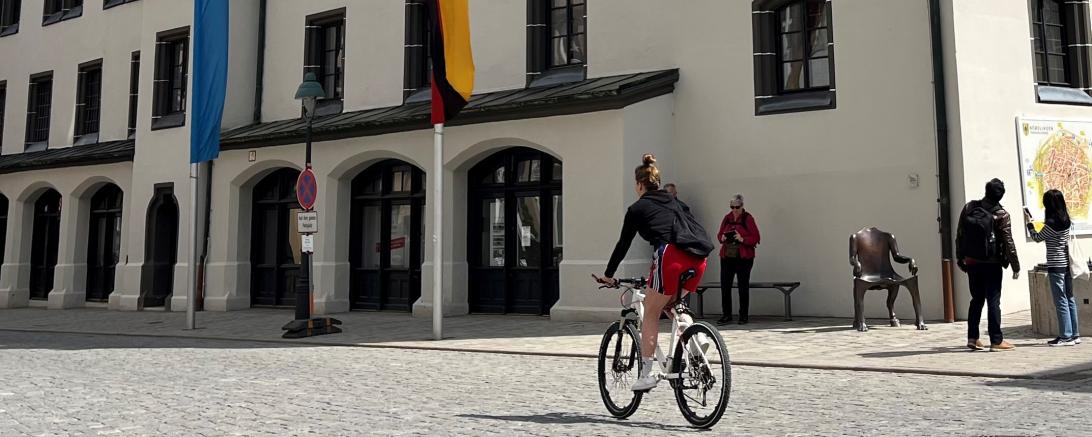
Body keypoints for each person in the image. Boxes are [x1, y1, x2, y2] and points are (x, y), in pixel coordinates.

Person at [594, 154, 709, 392]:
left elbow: (623, 244)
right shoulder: (676, 201)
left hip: (670, 255)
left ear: (639, 185)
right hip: (698, 257)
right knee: (673, 305)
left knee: (651, 314)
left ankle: (646, 374)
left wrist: (608, 274)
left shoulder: (637, 208)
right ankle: (697, 339)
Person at [956, 178, 1020, 352]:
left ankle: (973, 338)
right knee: (993, 301)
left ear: (986, 191)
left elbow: (960, 233)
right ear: (1001, 195)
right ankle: (996, 340)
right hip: (992, 263)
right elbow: (1008, 242)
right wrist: (1015, 266)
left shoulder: (970, 208)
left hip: (972, 261)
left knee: (976, 299)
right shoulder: (1002, 214)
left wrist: (960, 258)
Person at [1025, 189, 1082, 346]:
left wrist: (1030, 225)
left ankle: (1065, 336)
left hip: (1056, 265)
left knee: (1060, 300)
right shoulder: (1065, 219)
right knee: (1070, 298)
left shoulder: (1051, 223)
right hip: (1066, 264)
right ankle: (1075, 334)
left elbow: (1037, 237)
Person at [716, 194, 760, 325]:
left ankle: (743, 315)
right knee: (725, 285)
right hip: (727, 255)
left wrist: (742, 239)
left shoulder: (748, 218)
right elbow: (719, 234)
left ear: (742, 206)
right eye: (732, 207)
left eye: (737, 207)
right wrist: (722, 238)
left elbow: (756, 237)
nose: (734, 210)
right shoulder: (727, 218)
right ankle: (726, 315)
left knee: (743, 286)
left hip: (743, 257)